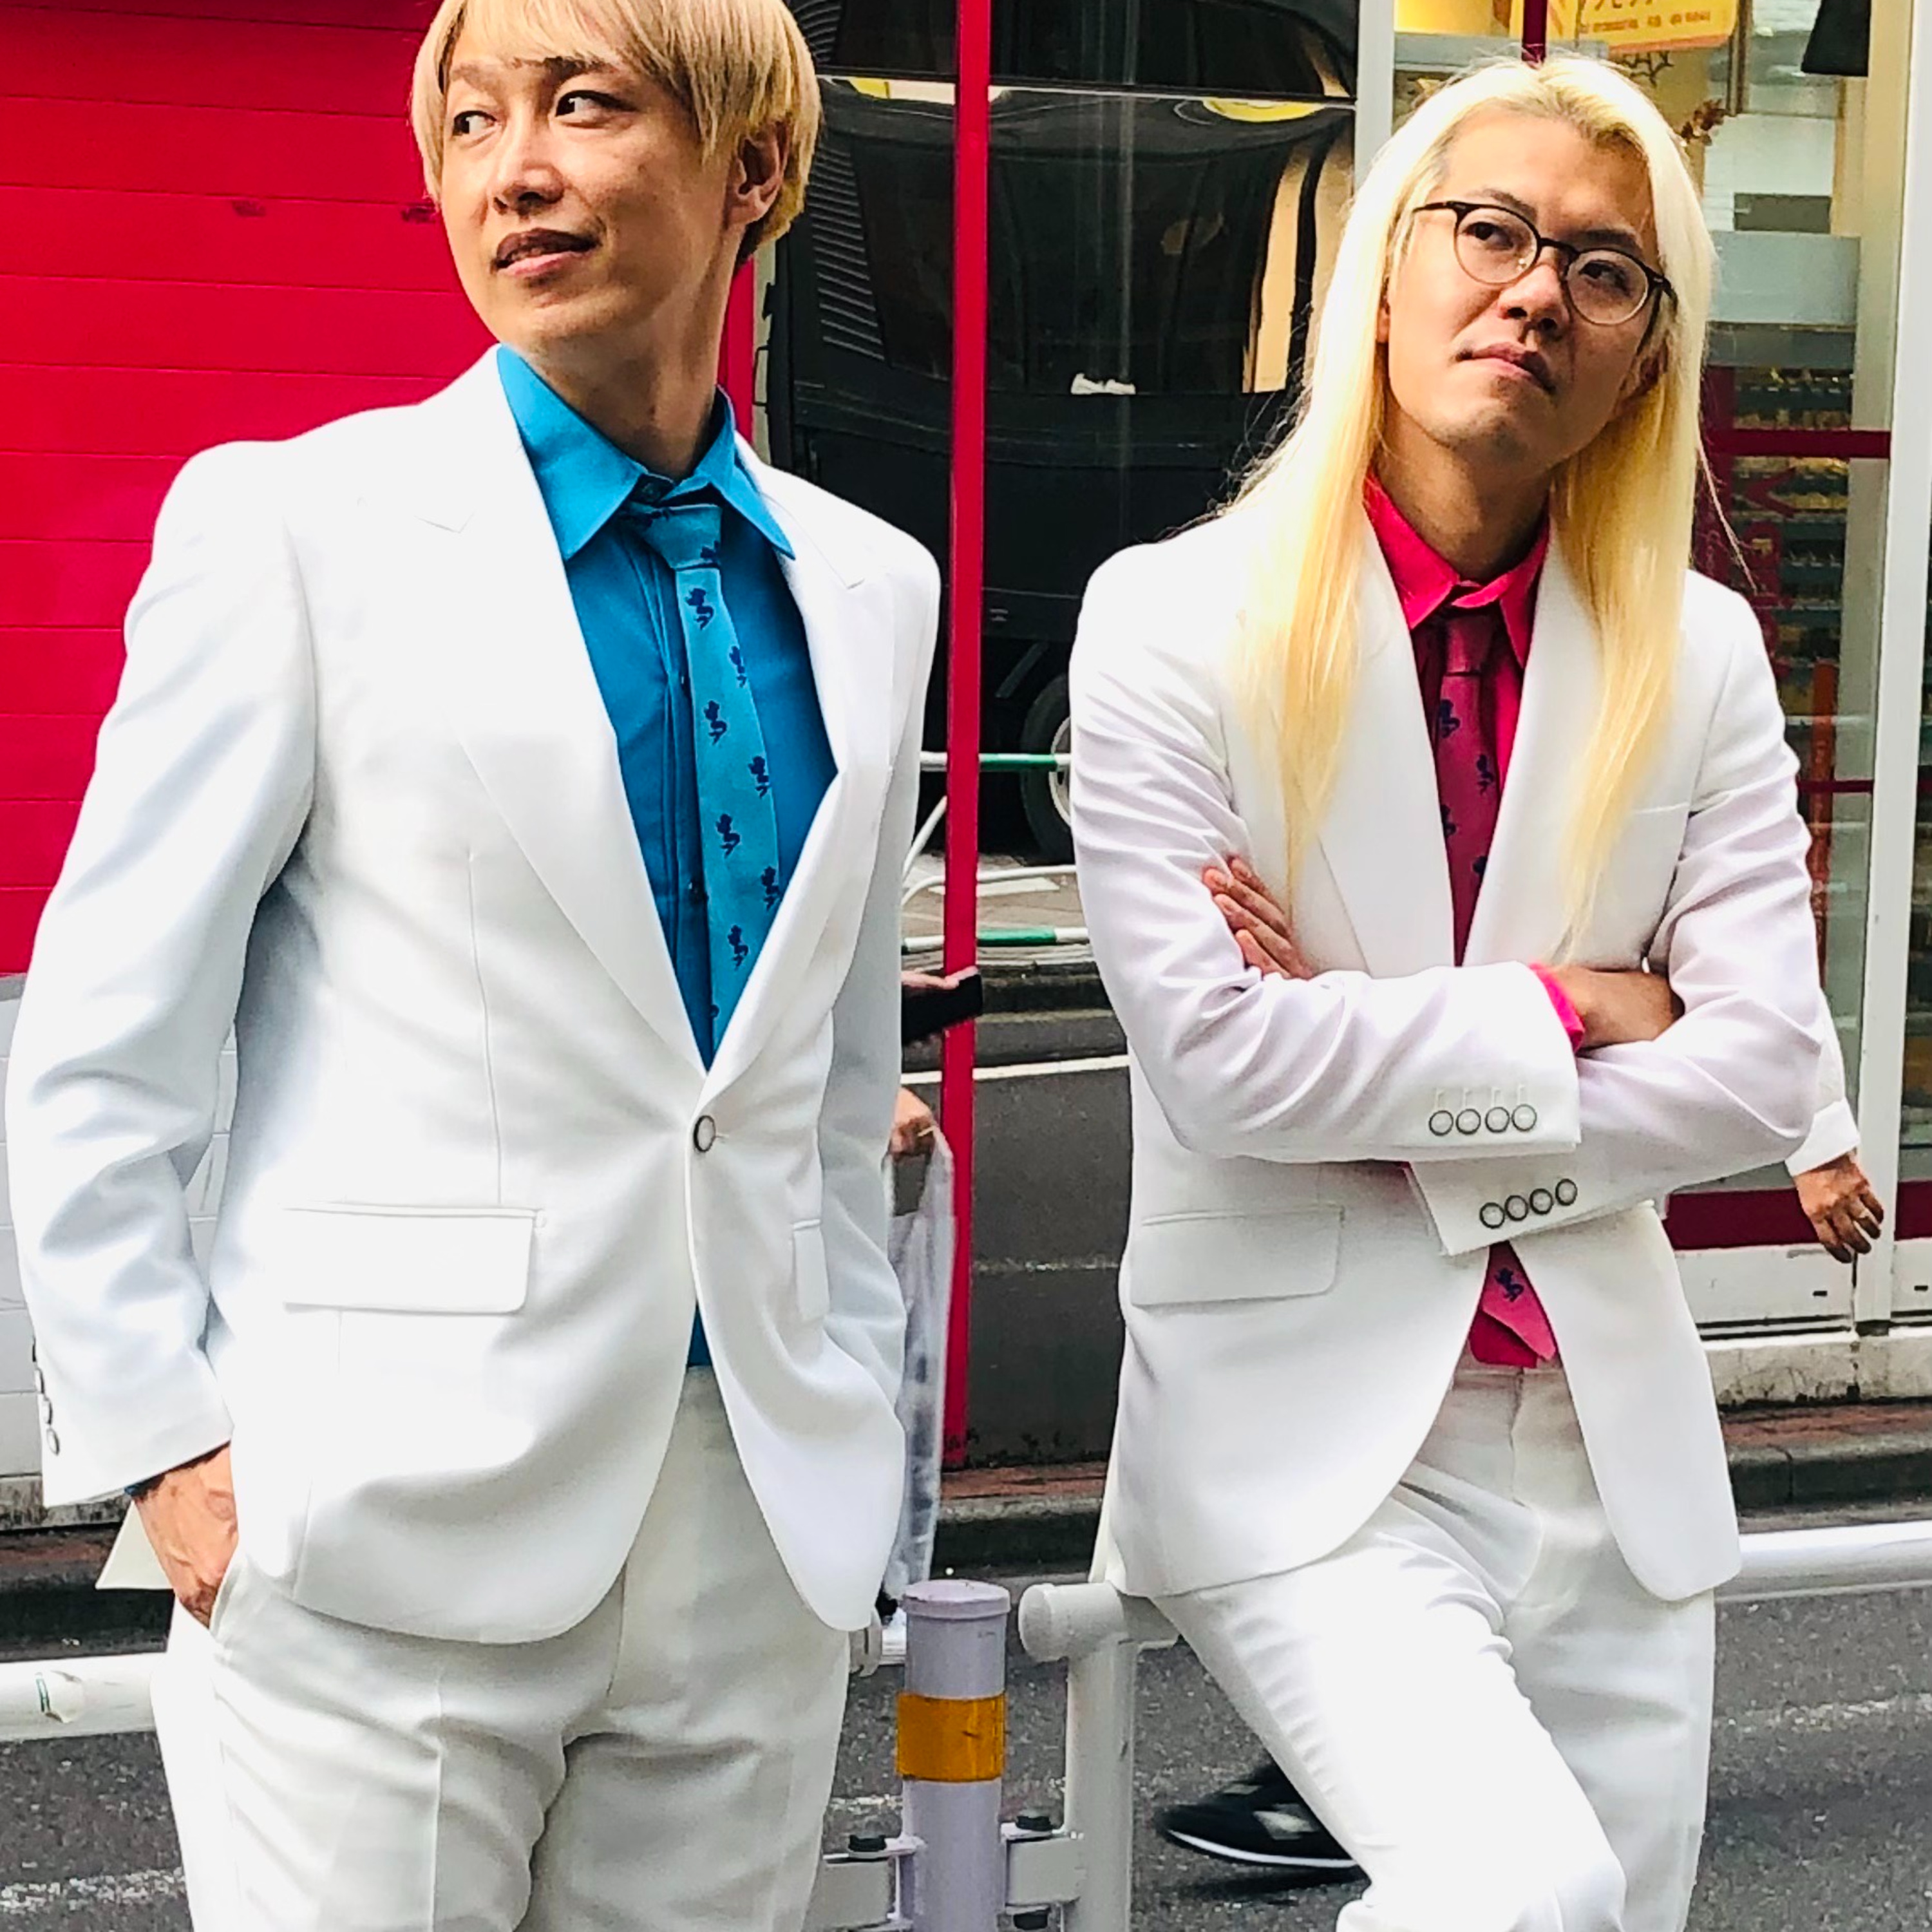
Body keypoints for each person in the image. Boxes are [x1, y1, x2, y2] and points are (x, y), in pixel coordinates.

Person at [4, 0, 938, 1924]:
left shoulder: (869, 582)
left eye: (582, 106)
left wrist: (847, 1410)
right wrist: (167, 1447)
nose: (512, 170)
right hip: (371, 1522)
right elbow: (107, 1032)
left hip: (749, 1526)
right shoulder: (297, 526)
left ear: (755, 167)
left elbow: (829, 1082)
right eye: (469, 121)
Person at [1071, 54, 1833, 1932]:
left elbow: (1760, 1068)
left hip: (1603, 1445)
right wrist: (1578, 1003)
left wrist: (1374, 1077)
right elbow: (1223, 1067)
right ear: (1380, 272)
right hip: (1305, 1442)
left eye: (1602, 267)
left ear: (1643, 357)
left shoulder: (1698, 652)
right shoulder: (1171, 619)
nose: (1534, 291)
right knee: (1516, 1892)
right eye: (1488, 230)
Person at [1149, 1050, 1883, 1879]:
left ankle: (1349, 1787)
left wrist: (1818, 1137)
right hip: (1358, 1354)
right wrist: (1589, 1011)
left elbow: (1754, 1024)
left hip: (1588, 1356)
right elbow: (1236, 1048)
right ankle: (1336, 1785)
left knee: (1619, 1858)